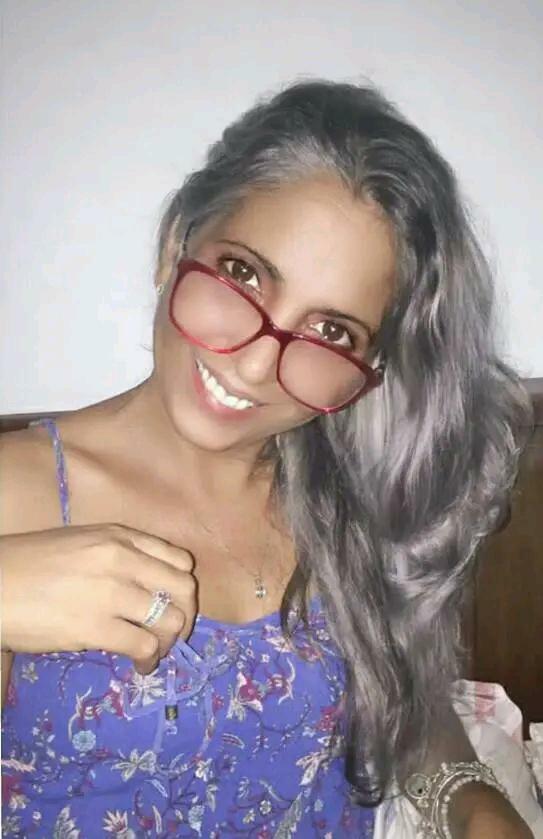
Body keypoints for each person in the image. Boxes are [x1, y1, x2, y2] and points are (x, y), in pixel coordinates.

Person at [0, 79, 535, 838]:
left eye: (331, 332)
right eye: (244, 273)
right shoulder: (18, 495)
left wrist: (470, 798)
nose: (255, 364)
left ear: (368, 370)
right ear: (176, 241)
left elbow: (400, 699)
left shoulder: (347, 500)